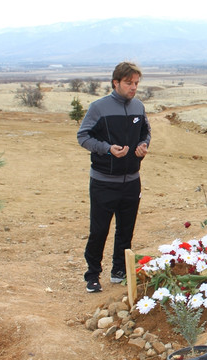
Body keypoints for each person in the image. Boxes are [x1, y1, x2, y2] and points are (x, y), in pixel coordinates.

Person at [77, 62, 151, 293]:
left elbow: (146, 133)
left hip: (131, 180)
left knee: (126, 229)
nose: (133, 88)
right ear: (115, 83)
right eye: (129, 83)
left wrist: (143, 146)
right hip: (103, 181)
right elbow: (83, 136)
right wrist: (108, 149)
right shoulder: (99, 108)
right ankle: (92, 275)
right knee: (99, 229)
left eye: (136, 83)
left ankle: (119, 270)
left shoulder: (138, 106)